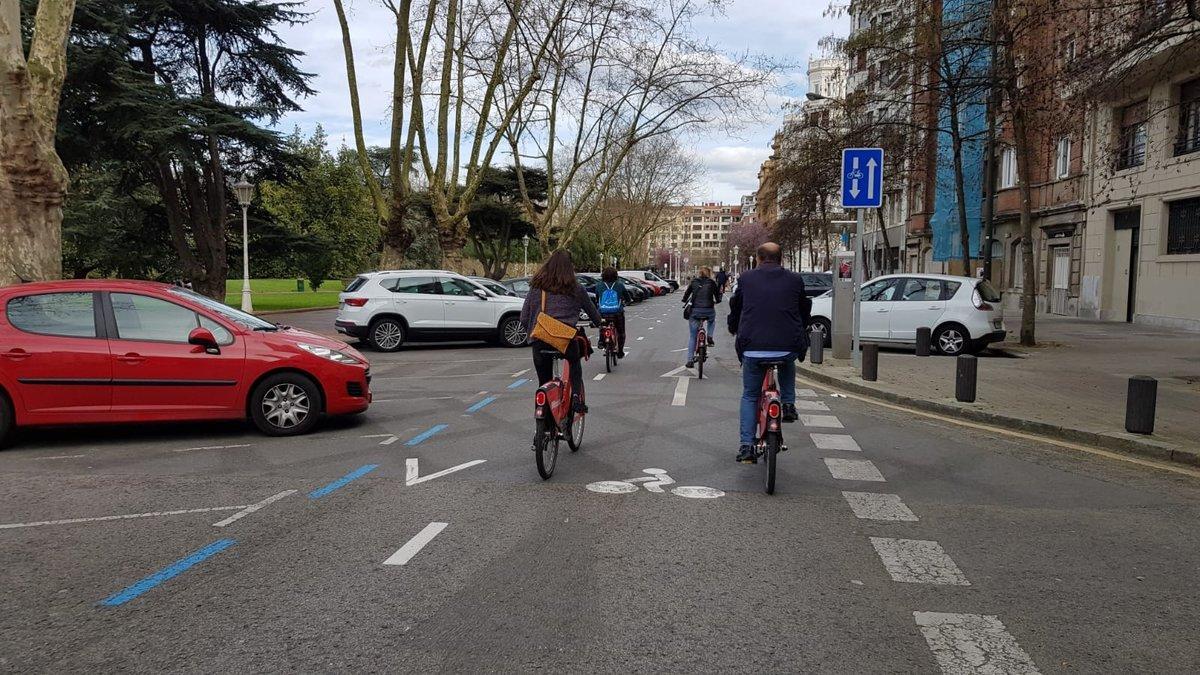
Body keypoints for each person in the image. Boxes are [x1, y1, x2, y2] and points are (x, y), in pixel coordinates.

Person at [727, 242, 810, 464]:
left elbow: (737, 308)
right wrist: (802, 331)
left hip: (753, 346)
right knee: (787, 360)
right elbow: (804, 309)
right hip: (787, 344)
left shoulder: (745, 279)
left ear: (758, 258)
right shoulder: (795, 279)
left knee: (750, 395)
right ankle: (789, 404)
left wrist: (733, 328)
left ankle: (747, 447)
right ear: (781, 259)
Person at [520, 250, 603, 413]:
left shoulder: (537, 288)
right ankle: (577, 399)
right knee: (574, 363)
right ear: (570, 267)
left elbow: (524, 317)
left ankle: (543, 421)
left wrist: (532, 334)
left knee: (543, 382)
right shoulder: (577, 289)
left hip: (540, 340)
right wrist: (599, 323)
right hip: (565, 340)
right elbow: (594, 314)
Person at [681, 266, 721, 368]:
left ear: (699, 273)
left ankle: (690, 360)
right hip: (708, 310)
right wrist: (718, 300)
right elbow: (717, 295)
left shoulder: (694, 282)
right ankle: (710, 336)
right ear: (709, 274)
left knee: (693, 336)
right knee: (712, 320)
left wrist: (684, 299)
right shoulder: (712, 283)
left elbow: (687, 293)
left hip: (695, 311)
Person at [597, 267, 633, 358]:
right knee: (621, 332)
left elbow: (598, 298)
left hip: (603, 312)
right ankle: (620, 351)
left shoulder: (599, 285)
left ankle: (601, 340)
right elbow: (627, 297)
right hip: (617, 313)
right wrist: (628, 301)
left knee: (603, 326)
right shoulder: (620, 285)